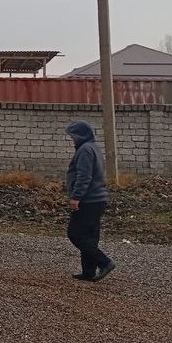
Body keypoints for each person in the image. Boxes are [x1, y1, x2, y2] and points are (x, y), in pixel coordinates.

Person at [65, 121, 116, 282]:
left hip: (88, 200)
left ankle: (105, 262)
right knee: (90, 236)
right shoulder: (93, 147)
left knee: (75, 233)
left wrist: (76, 197)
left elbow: (84, 176)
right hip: (97, 199)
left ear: (80, 135)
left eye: (73, 136)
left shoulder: (85, 150)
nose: (72, 139)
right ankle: (89, 271)